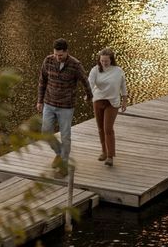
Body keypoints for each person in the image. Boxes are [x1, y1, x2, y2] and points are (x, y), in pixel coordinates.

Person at [37, 38, 93, 178]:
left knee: (65, 136)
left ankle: (64, 165)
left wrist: (89, 96)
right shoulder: (48, 61)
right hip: (49, 103)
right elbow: (42, 81)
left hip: (66, 107)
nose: (57, 57)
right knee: (45, 132)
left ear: (67, 52)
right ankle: (59, 153)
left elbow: (85, 81)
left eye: (60, 55)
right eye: (56, 54)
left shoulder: (75, 65)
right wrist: (39, 101)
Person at [88, 47, 127, 167]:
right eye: (102, 61)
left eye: (106, 61)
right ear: (99, 60)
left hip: (112, 103)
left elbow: (123, 86)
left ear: (111, 60)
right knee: (100, 128)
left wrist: (124, 100)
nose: (104, 63)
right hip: (98, 101)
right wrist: (88, 94)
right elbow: (90, 83)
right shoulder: (95, 70)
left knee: (108, 129)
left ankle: (110, 156)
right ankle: (104, 152)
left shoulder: (118, 71)